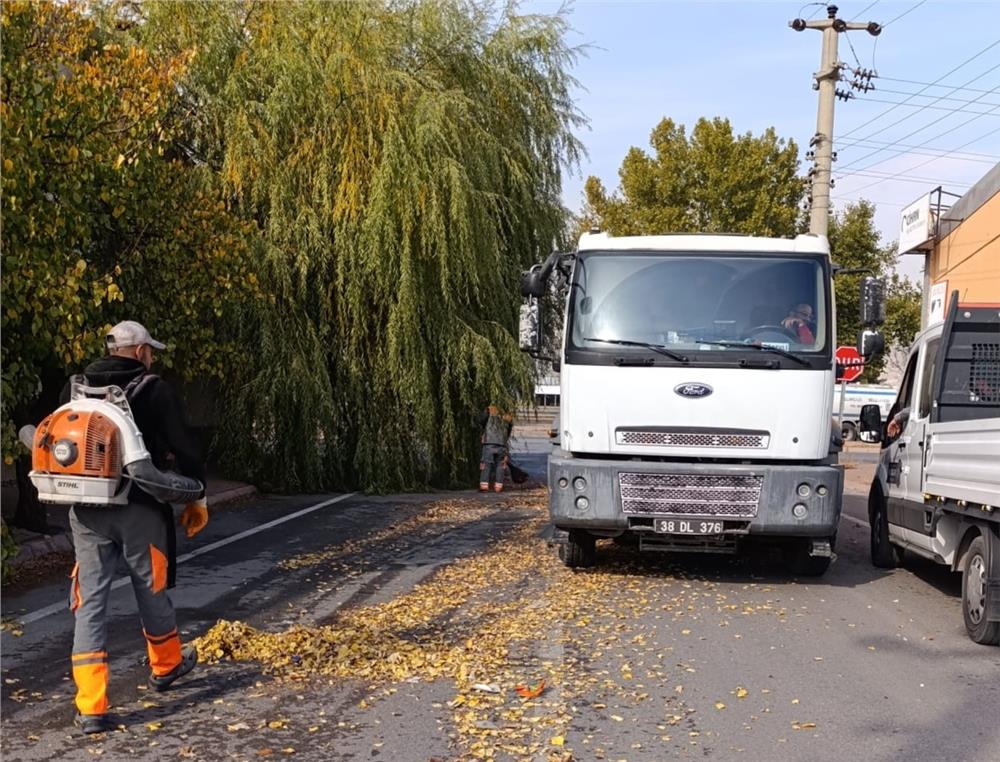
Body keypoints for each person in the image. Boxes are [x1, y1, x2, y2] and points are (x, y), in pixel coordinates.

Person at [62, 321, 208, 734]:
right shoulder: (154, 388)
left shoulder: (76, 387)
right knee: (151, 586)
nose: (152, 357)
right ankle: (166, 666)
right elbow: (183, 445)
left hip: (86, 510)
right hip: (141, 506)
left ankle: (91, 707)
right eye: (150, 351)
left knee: (89, 602)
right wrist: (196, 494)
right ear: (141, 351)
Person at [478, 405, 513, 493]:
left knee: (486, 463)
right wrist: (504, 439)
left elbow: (481, 421)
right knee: (500, 465)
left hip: (489, 442)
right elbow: (509, 429)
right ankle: (498, 486)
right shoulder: (507, 414)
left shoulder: (489, 409)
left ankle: (484, 485)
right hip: (501, 443)